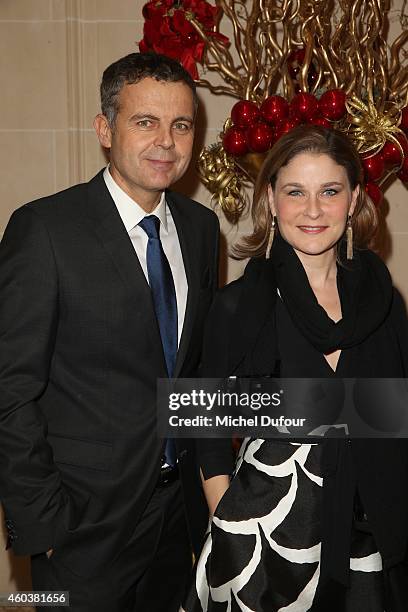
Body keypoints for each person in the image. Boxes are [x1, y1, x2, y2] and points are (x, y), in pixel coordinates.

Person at [0, 52, 219, 611]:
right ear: (105, 129)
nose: (166, 141)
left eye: (181, 124)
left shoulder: (200, 229)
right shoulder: (44, 230)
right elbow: (10, 389)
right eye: (145, 122)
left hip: (178, 520)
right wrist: (44, 526)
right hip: (80, 530)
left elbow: (191, 371)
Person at [183, 125, 408, 611]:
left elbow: (400, 419)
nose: (312, 210)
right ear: (271, 199)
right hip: (265, 541)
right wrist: (231, 524)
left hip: (370, 531)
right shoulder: (237, 306)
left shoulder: (386, 303)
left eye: (329, 191)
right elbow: (205, 425)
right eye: (295, 192)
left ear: (353, 201)